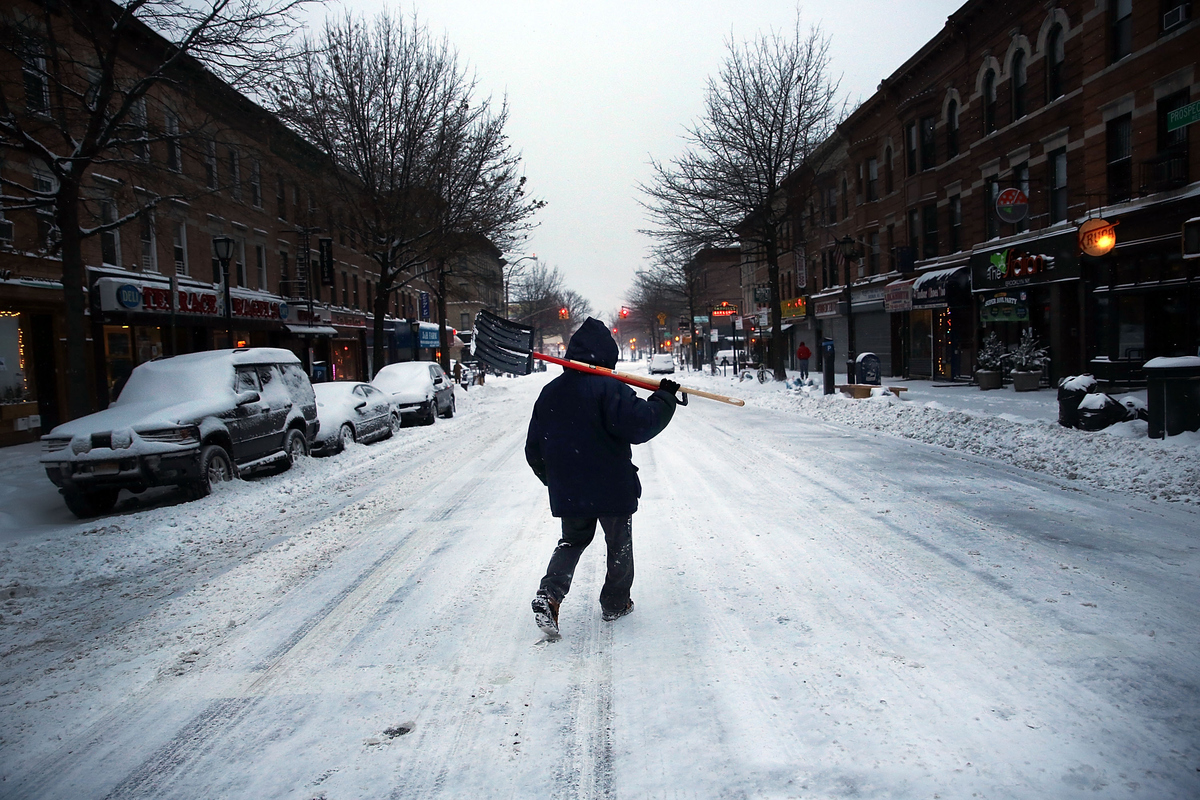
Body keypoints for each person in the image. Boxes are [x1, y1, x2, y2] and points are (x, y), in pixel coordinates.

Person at [526, 317, 684, 638]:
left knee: (571, 541)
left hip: (570, 490)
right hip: (612, 486)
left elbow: (534, 450)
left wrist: (555, 479)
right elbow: (641, 424)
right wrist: (664, 397)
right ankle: (615, 603)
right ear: (606, 356)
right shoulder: (610, 389)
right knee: (619, 545)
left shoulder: (550, 393)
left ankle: (551, 595)